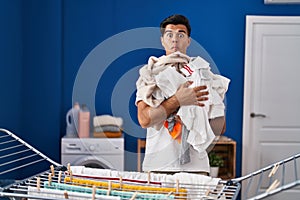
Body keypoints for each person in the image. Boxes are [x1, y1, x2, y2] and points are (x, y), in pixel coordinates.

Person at [135, 14, 230, 175]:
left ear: (188, 41)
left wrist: (210, 105)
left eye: (181, 34)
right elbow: (144, 120)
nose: (175, 39)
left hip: (196, 168)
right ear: (162, 40)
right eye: (169, 34)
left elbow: (218, 129)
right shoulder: (150, 75)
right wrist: (178, 100)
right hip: (159, 167)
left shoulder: (203, 75)